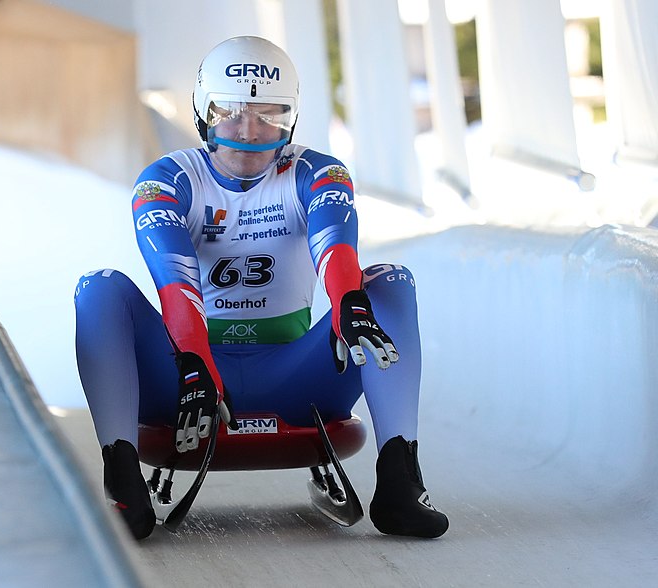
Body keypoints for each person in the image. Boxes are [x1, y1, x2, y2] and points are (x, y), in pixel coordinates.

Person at [74, 36, 448, 540]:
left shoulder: (318, 171)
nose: (249, 133)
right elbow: (174, 278)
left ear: (290, 118)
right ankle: (121, 481)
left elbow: (336, 250)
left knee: (389, 283)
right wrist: (195, 363)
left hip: (295, 376)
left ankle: (401, 478)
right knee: (99, 289)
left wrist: (350, 306)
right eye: (232, 113)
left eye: (268, 114)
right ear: (204, 113)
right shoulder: (165, 180)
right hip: (191, 382)